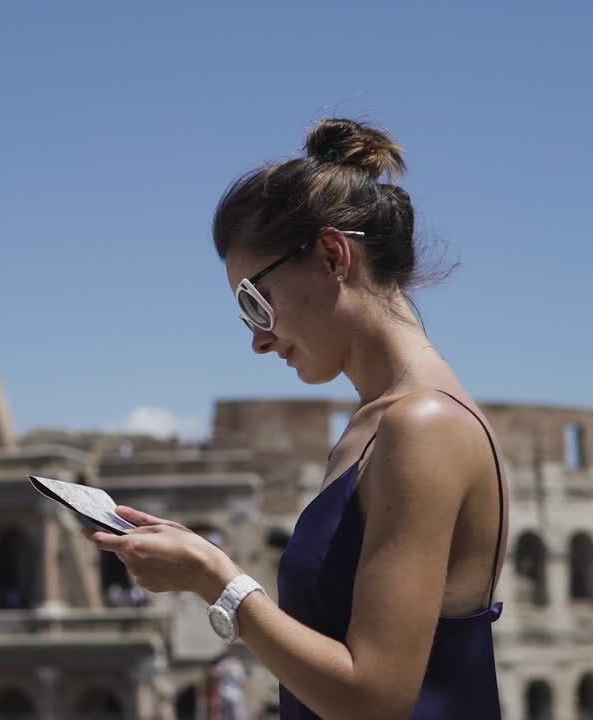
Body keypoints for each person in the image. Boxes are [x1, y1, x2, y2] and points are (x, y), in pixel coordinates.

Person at [85, 118, 508, 718]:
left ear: (334, 256)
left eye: (256, 303)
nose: (258, 340)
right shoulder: (371, 429)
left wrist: (216, 580)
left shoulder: (424, 425)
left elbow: (374, 700)